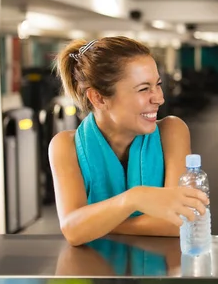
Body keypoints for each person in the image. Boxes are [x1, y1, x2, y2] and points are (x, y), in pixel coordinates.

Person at [50, 37, 209, 246]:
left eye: (158, 85)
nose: (159, 98)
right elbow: (73, 230)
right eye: (144, 89)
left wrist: (95, 225)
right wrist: (135, 198)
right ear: (98, 98)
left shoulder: (172, 131)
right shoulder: (65, 145)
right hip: (95, 271)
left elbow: (178, 223)